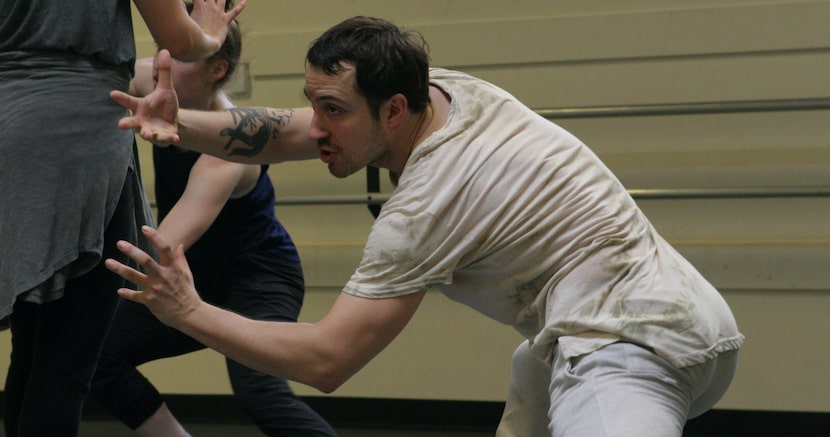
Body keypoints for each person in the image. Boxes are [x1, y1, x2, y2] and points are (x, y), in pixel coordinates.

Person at [106, 16, 745, 437]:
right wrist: (181, 120)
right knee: (535, 368)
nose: (317, 126)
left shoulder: (426, 206)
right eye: (314, 102)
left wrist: (187, 311)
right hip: (630, 325)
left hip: (631, 346)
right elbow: (284, 128)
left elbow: (328, 360)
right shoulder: (447, 92)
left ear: (393, 109)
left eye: (334, 110)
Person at [0, 1, 245, 436]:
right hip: (74, 131)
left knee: (33, 345)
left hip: (10, 121)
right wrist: (209, 34)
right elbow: (180, 42)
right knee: (65, 361)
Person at [89, 10, 337, 436]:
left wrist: (76, 267)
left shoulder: (227, 154)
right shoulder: (157, 81)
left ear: (217, 70)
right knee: (94, 354)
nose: (161, 69)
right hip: (195, 273)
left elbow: (164, 245)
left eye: (182, 58)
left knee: (259, 387)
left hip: (258, 277)